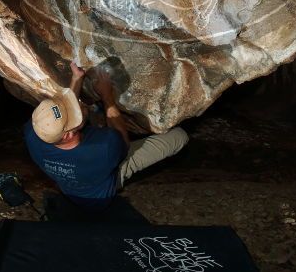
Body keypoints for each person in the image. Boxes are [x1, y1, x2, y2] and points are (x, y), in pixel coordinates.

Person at [24, 62, 189, 211]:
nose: (78, 105)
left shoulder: (34, 133)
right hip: (101, 194)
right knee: (179, 137)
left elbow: (60, 118)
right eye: (75, 112)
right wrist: (107, 97)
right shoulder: (103, 147)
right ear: (68, 134)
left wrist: (77, 78)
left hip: (72, 189)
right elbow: (122, 142)